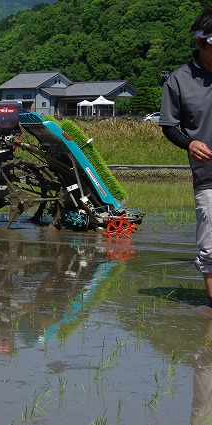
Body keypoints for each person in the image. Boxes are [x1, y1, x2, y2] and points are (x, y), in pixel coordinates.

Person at [160, 9, 212, 308]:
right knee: (211, 248)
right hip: (208, 174)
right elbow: (169, 125)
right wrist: (190, 144)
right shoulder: (179, 80)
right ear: (200, 42)